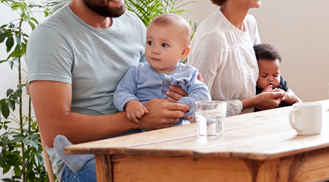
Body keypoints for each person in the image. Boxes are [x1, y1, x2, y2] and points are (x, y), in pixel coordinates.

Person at [27, 0, 191, 182]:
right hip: (85, 160)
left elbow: (146, 81)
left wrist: (173, 94)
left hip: (142, 143)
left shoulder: (133, 24)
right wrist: (137, 118)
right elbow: (55, 130)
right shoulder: (52, 37)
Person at [53, 13, 211, 172]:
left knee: (195, 150)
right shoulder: (137, 71)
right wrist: (130, 103)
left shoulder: (189, 74)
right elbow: (122, 92)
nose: (154, 50)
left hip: (176, 132)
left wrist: (183, 105)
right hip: (138, 130)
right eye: (150, 43)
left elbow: (203, 95)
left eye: (164, 45)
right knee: (115, 143)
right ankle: (81, 158)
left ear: (184, 53)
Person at [188, 0, 286, 116]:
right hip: (219, 136)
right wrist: (251, 102)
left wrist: (286, 95)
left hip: (249, 127)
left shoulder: (250, 24)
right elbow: (196, 109)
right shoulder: (214, 37)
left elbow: (261, 78)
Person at [253, 43, 301, 111]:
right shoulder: (253, 89)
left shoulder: (280, 82)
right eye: (264, 76)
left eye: (275, 75)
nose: (271, 79)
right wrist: (263, 96)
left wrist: (285, 96)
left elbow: (292, 96)